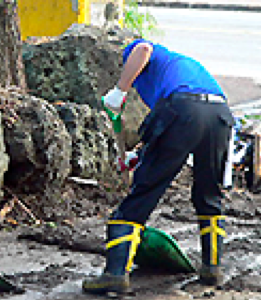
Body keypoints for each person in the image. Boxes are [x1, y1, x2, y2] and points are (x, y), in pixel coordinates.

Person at [82, 39, 235, 295]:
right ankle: (212, 269)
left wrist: (120, 89)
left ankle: (115, 275)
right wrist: (140, 155)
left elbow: (143, 51)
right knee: (209, 193)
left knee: (144, 191)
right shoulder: (179, 69)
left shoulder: (144, 50)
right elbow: (177, 131)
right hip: (219, 115)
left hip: (184, 109)